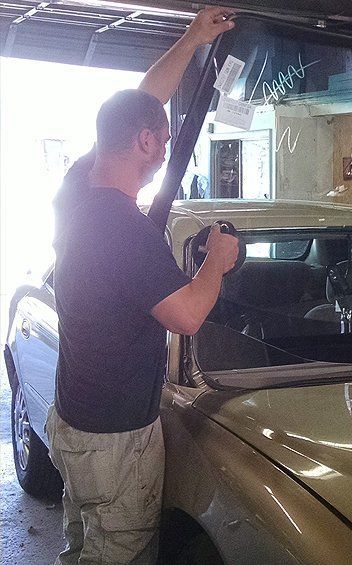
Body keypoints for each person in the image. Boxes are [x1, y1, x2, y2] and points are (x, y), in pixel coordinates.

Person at [44, 8, 238, 564]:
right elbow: (187, 316)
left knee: (84, 542)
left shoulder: (77, 189)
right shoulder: (126, 230)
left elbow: (139, 104)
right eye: (164, 139)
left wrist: (194, 37)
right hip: (116, 440)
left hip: (75, 420)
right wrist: (216, 262)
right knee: (120, 553)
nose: (167, 149)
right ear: (149, 144)